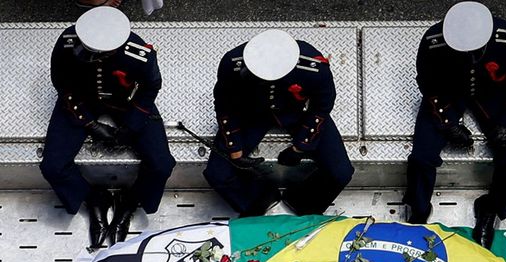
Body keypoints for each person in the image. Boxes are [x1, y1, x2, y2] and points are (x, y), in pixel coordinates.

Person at [403, 1, 506, 249]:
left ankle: (490, 209)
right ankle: (419, 210)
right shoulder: (433, 40)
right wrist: (448, 121)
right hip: (448, 94)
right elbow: (429, 84)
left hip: (494, 94)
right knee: (421, 157)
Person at [41, 7, 175, 247]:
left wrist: (131, 127)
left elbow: (150, 87)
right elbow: (62, 83)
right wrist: (89, 124)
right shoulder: (68, 42)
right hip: (82, 101)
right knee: (52, 166)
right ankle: (94, 199)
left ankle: (130, 201)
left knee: (162, 165)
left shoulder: (139, 54)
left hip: (126, 103)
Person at [203, 29, 353, 217]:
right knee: (217, 173)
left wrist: (300, 147)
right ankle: (260, 200)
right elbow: (224, 105)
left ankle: (303, 203)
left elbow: (321, 107)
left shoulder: (314, 68)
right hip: (251, 113)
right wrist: (235, 149)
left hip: (297, 113)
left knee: (341, 172)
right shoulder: (231, 63)